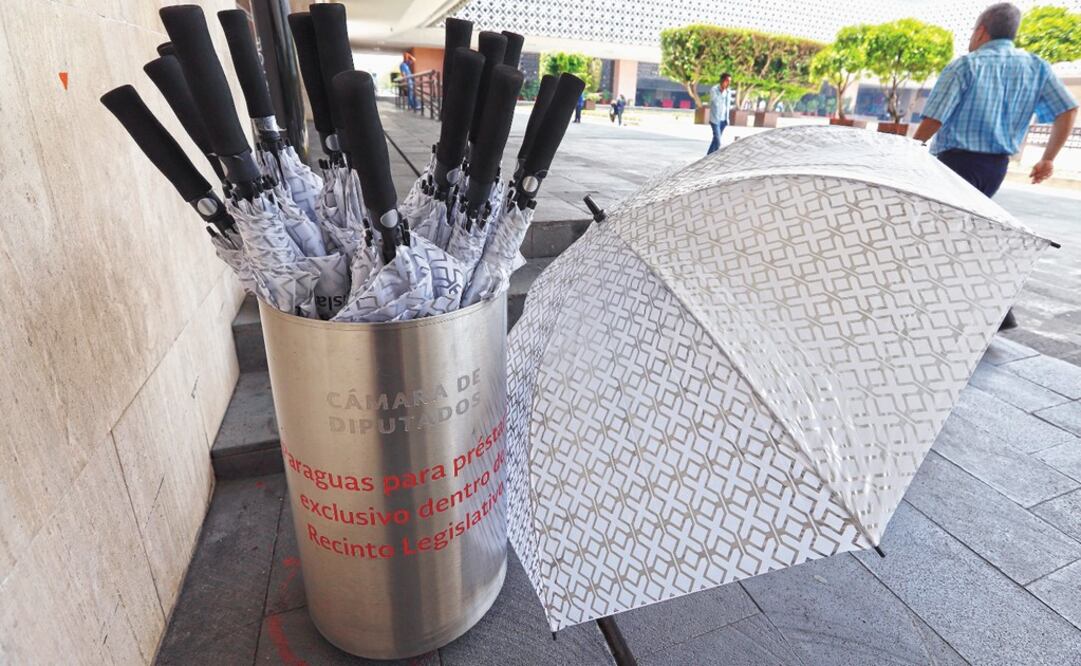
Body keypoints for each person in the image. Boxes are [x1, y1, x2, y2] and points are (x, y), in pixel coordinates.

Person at [914, 2, 1077, 329]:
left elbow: (935, 117)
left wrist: (910, 148)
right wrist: (1048, 158)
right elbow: (1067, 111)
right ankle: (991, 310)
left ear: (981, 31)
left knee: (944, 235)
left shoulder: (967, 66)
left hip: (955, 163)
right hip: (995, 167)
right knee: (965, 233)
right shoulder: (1037, 67)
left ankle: (992, 309)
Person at [707, 73, 734, 154]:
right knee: (718, 141)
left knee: (715, 140)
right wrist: (721, 92)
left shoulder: (728, 91)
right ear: (722, 80)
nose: (728, 83)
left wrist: (727, 119)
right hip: (715, 119)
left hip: (724, 120)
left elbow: (727, 105)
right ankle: (711, 157)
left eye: (730, 81)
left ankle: (708, 157)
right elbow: (715, 102)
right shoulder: (714, 90)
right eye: (727, 81)